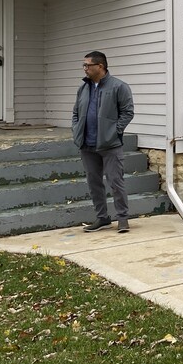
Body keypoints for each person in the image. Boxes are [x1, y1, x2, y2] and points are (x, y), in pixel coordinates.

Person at [72, 51, 135, 233]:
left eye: (88, 65)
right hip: (87, 144)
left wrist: (114, 132)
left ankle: (123, 219)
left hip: (110, 145)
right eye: (84, 65)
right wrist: (76, 131)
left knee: (116, 182)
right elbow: (76, 113)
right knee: (94, 183)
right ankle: (102, 218)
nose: (85, 69)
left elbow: (127, 112)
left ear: (100, 66)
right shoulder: (83, 88)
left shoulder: (119, 87)